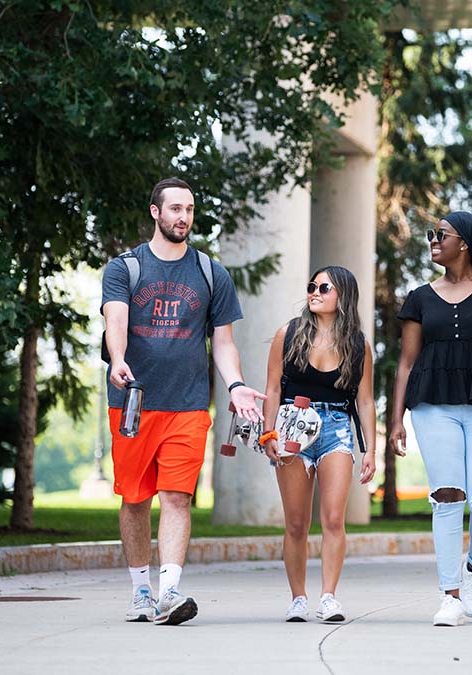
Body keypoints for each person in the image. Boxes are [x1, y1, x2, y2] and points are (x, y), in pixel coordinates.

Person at [102, 177, 265, 625]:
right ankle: (140, 592)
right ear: (156, 212)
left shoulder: (211, 273)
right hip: (132, 403)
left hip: (190, 406)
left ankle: (169, 592)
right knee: (135, 500)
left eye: (189, 209)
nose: (183, 217)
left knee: (177, 497)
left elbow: (224, 343)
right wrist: (118, 359)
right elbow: (115, 317)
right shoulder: (125, 268)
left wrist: (235, 386)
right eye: (175, 208)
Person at [389, 211, 472, 627]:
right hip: (433, 407)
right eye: (432, 234)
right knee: (448, 495)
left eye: (439, 234)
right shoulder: (419, 298)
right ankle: (450, 596)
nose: (432, 240)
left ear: (464, 242)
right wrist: (395, 420)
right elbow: (406, 364)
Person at [262, 266, 382, 623]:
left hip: (337, 429)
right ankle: (298, 598)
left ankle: (328, 597)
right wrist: (268, 433)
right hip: (292, 428)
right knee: (297, 522)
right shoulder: (289, 333)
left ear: (342, 295)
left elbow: (365, 400)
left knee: (332, 518)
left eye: (323, 287)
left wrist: (370, 451)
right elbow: (270, 388)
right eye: (311, 285)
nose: (314, 292)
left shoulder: (358, 345)